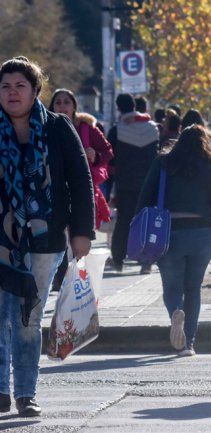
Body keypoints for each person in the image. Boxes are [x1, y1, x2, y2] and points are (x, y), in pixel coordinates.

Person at [0, 56, 94, 417]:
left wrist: (82, 232)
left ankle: (25, 393)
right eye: (5, 86)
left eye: (20, 86)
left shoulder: (57, 128)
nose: (12, 93)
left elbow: (80, 181)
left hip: (45, 240)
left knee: (27, 318)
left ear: (35, 90)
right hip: (2, 242)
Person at [136, 125, 211, 356]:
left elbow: (144, 199)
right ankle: (188, 343)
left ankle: (175, 313)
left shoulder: (163, 163)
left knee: (172, 288)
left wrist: (139, 236)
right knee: (193, 289)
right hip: (202, 235)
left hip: (169, 234)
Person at [107, 93, 159, 274]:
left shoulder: (117, 130)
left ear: (119, 108)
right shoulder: (153, 128)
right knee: (147, 222)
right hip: (149, 183)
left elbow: (110, 160)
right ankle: (147, 262)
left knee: (123, 222)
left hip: (126, 184)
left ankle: (119, 259)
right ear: (135, 106)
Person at [49, 89, 113, 229]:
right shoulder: (45, 129)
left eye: (67, 102)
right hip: (53, 192)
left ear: (74, 106)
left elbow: (108, 151)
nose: (62, 106)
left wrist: (95, 155)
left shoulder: (87, 128)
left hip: (81, 190)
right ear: (52, 107)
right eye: (58, 102)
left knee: (80, 238)